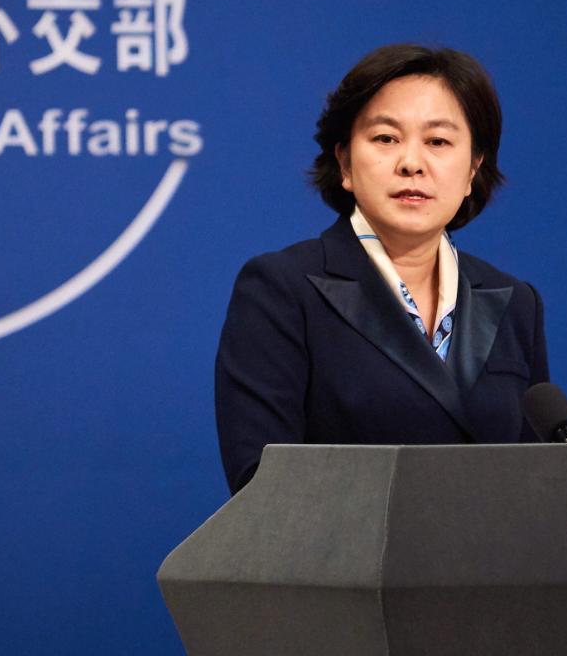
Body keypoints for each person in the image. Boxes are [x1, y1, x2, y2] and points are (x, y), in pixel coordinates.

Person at [215, 44, 549, 494]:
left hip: (488, 564)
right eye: (386, 138)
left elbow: (541, 481)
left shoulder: (514, 302)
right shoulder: (283, 289)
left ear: (473, 170)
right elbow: (262, 487)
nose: (412, 163)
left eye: (438, 142)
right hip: (342, 562)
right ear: (345, 163)